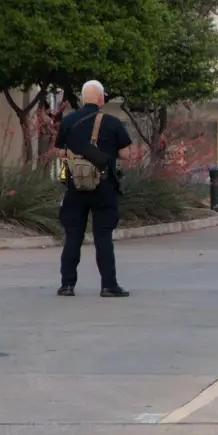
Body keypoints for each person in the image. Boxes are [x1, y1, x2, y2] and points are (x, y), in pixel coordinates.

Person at [54, 79, 133, 297]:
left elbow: (60, 152)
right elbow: (126, 154)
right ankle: (108, 285)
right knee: (103, 237)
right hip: (104, 187)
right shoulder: (112, 122)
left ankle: (67, 285)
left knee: (73, 236)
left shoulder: (68, 121)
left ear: (82, 98)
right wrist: (103, 154)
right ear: (101, 99)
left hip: (75, 186)